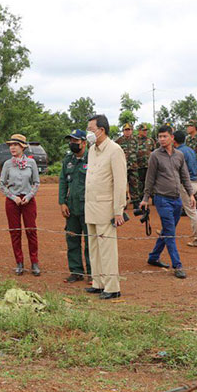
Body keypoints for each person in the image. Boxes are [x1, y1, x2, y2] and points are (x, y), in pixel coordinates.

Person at [141, 126, 195, 279]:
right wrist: (146, 198)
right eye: (160, 136)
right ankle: (177, 265)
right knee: (170, 232)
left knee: (167, 230)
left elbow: (185, 176)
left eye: (165, 136)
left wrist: (191, 194)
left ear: (172, 138)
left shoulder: (179, 155)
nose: (162, 139)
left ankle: (153, 257)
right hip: (161, 199)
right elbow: (149, 179)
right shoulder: (155, 156)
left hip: (176, 199)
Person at [85, 115, 127, 299]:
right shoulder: (92, 150)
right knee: (93, 246)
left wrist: (119, 210)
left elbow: (119, 183)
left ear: (101, 130)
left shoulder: (115, 150)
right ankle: (98, 282)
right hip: (91, 205)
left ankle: (112, 287)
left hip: (106, 207)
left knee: (107, 248)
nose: (89, 133)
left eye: (91, 129)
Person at [0, 134, 41, 276]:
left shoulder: (31, 163)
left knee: (31, 231)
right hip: (13, 201)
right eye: (10, 145)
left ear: (23, 147)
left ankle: (34, 262)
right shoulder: (7, 164)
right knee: (15, 232)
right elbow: (1, 184)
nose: (12, 148)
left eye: (15, 145)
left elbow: (36, 182)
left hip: (28, 201)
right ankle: (19, 262)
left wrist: (29, 196)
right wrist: (13, 197)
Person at [59, 129, 90, 283]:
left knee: (90, 242)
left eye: (75, 141)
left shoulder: (92, 158)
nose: (72, 144)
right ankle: (76, 271)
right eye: (71, 141)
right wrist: (62, 202)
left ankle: (92, 272)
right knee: (72, 239)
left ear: (84, 143)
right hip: (71, 206)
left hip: (88, 206)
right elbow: (63, 181)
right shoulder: (68, 160)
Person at [173, 131, 197, 247]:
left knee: (192, 212)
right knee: (175, 206)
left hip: (186, 185)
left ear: (174, 140)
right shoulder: (190, 150)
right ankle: (167, 230)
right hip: (194, 182)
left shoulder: (179, 152)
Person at [115, 123, 139, 208]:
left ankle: (136, 202)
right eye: (126, 130)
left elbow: (138, 153)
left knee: (134, 184)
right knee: (122, 185)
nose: (127, 131)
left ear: (132, 131)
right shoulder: (118, 141)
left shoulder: (136, 140)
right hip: (122, 167)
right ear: (123, 131)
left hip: (133, 166)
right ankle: (123, 203)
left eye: (129, 130)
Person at [136, 124, 156, 201]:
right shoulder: (135, 140)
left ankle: (154, 198)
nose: (145, 132)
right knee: (140, 183)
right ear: (139, 131)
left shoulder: (150, 140)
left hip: (149, 165)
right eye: (143, 130)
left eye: (146, 130)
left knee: (151, 182)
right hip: (139, 166)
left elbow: (154, 152)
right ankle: (141, 199)